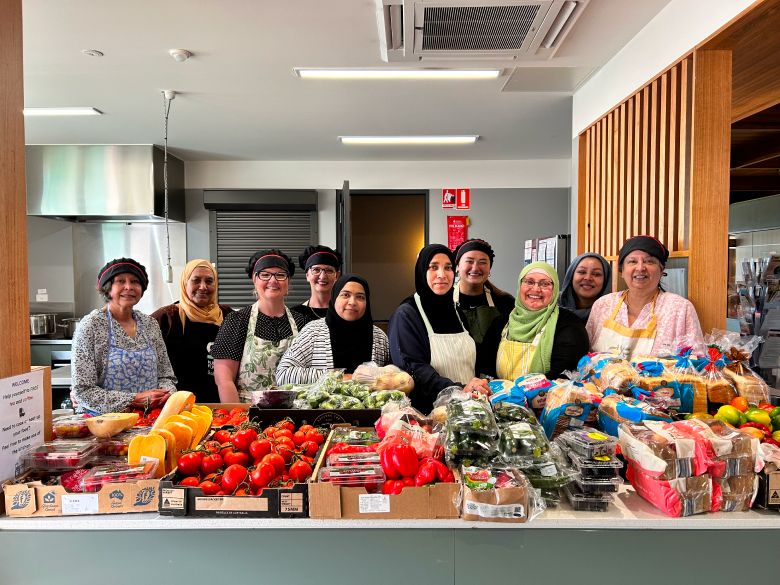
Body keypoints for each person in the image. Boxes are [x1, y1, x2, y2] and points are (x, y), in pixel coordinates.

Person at [388, 243, 487, 414]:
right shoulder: (407, 314)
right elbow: (414, 369)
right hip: (428, 415)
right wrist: (458, 389)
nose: (442, 274)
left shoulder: (456, 312)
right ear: (422, 271)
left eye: (448, 268)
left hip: (468, 409)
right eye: (433, 267)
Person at [71, 257, 176, 414]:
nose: (129, 287)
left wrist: (166, 394)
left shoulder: (150, 324)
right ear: (108, 288)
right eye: (120, 281)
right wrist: (134, 399)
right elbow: (83, 391)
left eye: (135, 281)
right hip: (103, 421)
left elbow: (166, 376)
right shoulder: (91, 326)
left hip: (149, 418)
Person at [212, 249, 311, 403]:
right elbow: (224, 380)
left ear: (288, 282)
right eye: (265, 275)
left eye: (280, 275)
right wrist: (238, 415)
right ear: (254, 279)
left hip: (295, 412)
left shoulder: (302, 322)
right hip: (250, 412)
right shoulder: (237, 321)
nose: (273, 280)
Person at [586, 235, 704, 359]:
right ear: (622, 271)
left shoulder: (680, 308)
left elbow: (696, 361)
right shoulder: (603, 305)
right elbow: (585, 354)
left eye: (649, 261)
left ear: (661, 270)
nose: (640, 268)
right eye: (632, 261)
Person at [276, 274, 389, 384]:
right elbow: (283, 374)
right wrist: (339, 377)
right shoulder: (313, 332)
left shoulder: (379, 337)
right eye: (345, 295)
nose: (352, 302)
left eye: (360, 297)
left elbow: (391, 379)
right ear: (334, 298)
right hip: (320, 398)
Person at [151, 259, 233, 403]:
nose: (203, 287)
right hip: (179, 406)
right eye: (196, 280)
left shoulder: (227, 316)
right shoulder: (167, 317)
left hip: (221, 406)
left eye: (209, 281)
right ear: (185, 283)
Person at [496, 262, 589, 381]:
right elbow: (485, 367)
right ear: (520, 286)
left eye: (545, 284)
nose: (536, 289)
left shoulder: (571, 325)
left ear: (555, 290)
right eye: (529, 282)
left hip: (546, 392)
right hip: (498, 392)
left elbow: (565, 374)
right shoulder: (501, 322)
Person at [453, 238, 515, 378]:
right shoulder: (443, 303)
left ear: (489, 268)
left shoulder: (505, 302)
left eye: (483, 262)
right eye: (469, 261)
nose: (475, 268)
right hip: (454, 380)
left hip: (495, 381)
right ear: (457, 266)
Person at [291, 245, 343, 320]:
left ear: (337, 276)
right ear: (307, 275)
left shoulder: (345, 312)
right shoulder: (294, 315)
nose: (322, 276)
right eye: (316, 270)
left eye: (329, 271)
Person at [559, 252, 612, 322]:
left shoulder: (615, 312)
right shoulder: (551, 305)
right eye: (582, 272)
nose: (588, 278)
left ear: (606, 280)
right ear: (571, 275)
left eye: (596, 274)